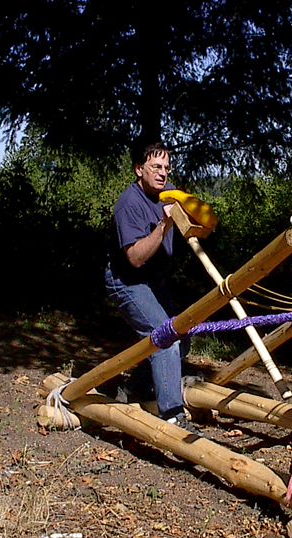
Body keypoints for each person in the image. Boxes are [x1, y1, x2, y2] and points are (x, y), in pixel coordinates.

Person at [104, 141, 196, 432]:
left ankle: (135, 391)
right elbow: (135, 258)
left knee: (182, 335)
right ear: (139, 169)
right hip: (128, 281)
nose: (162, 173)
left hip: (154, 282)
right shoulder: (129, 203)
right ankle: (172, 416)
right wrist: (164, 225)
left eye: (166, 167)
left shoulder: (167, 197)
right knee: (164, 337)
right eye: (156, 167)